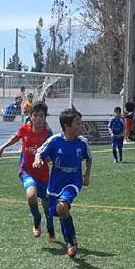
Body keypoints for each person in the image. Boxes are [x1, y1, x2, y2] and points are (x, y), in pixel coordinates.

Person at [33, 108, 92, 258]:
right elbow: (40, 152)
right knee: (59, 212)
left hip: (73, 181)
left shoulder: (82, 142)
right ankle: (68, 235)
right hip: (55, 183)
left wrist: (86, 175)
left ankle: (71, 242)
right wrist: (38, 160)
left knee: (62, 207)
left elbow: (89, 158)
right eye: (78, 123)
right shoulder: (55, 141)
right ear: (67, 126)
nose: (81, 126)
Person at [0, 102, 55, 240]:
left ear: (45, 117)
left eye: (41, 116)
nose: (38, 118)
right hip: (27, 171)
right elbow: (15, 138)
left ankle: (50, 229)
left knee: (46, 204)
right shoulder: (25, 129)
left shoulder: (48, 133)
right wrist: (2, 147)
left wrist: (48, 158)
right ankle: (37, 220)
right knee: (31, 196)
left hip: (43, 173)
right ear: (30, 116)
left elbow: (52, 151)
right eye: (35, 115)